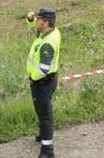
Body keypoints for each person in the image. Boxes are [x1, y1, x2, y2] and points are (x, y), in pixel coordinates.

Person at [26, 8, 63, 158]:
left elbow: (43, 69)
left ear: (45, 23)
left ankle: (47, 150)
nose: (36, 22)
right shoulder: (52, 31)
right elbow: (36, 29)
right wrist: (30, 20)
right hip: (48, 80)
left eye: (38, 20)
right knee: (42, 112)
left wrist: (33, 78)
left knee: (45, 115)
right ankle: (43, 134)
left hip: (42, 82)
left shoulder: (48, 43)